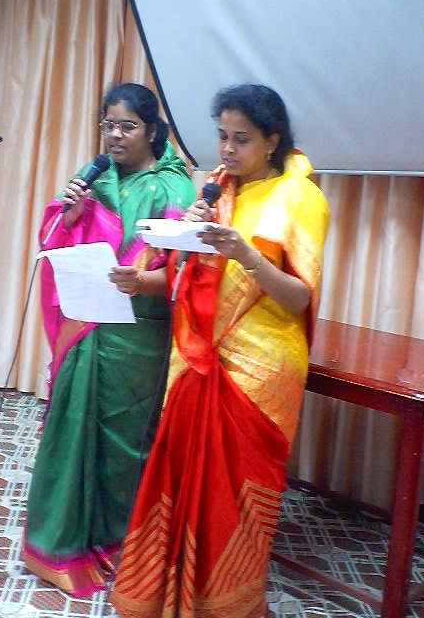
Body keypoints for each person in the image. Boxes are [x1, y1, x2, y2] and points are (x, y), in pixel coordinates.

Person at [110, 84, 330, 618]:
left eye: (241, 139)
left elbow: (299, 297)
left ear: (272, 141)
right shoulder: (215, 191)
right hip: (195, 360)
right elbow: (190, 280)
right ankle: (165, 596)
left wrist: (245, 255)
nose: (227, 150)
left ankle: (226, 604)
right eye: (222, 137)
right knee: (180, 479)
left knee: (230, 498)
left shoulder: (301, 198)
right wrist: (148, 276)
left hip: (257, 371)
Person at [22, 83, 196, 597]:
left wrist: (140, 280)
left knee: (125, 446)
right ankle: (64, 543)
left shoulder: (173, 188)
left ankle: (125, 547)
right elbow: (55, 240)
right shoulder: (93, 176)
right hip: (85, 328)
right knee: (72, 432)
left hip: (138, 335)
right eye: (108, 125)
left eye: (128, 126)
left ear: (152, 130)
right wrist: (71, 216)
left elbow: (186, 269)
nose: (115, 136)